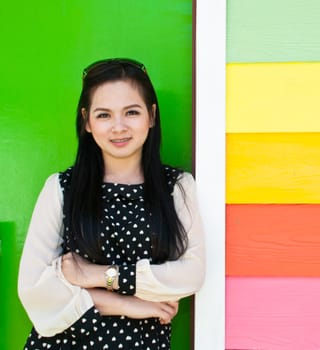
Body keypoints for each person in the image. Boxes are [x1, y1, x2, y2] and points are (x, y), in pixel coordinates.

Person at [18, 58, 206, 349]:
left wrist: (99, 276)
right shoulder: (61, 188)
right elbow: (32, 287)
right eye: (104, 115)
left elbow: (190, 274)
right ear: (87, 121)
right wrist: (129, 304)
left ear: (151, 116)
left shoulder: (177, 187)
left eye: (131, 112)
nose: (118, 127)